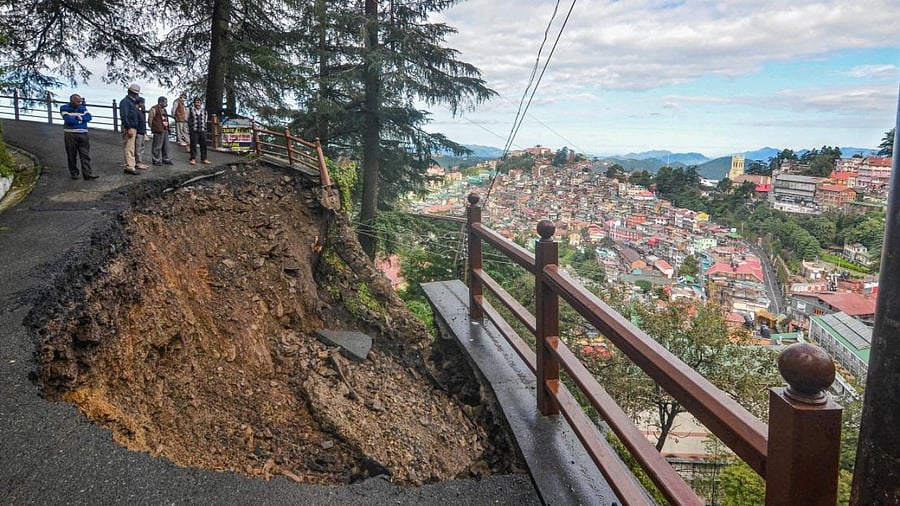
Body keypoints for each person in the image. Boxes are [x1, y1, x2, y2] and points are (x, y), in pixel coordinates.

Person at [59, 93, 97, 180]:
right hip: (70, 133)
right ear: (71, 101)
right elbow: (68, 120)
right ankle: (74, 173)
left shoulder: (82, 108)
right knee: (72, 154)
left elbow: (89, 117)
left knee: (85, 155)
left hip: (83, 133)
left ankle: (87, 173)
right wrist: (81, 120)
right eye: (77, 101)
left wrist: (78, 119)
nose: (79, 103)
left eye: (80, 101)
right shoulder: (64, 108)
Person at [119, 83, 142, 175]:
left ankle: (130, 165)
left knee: (131, 147)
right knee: (129, 147)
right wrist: (128, 127)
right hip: (130, 127)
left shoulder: (131, 102)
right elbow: (124, 116)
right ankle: (129, 166)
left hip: (133, 126)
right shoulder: (125, 102)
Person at [148, 96, 173, 166]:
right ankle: (156, 159)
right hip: (158, 129)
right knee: (157, 146)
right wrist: (153, 127)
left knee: (166, 146)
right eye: (165, 102)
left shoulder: (164, 110)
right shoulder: (154, 109)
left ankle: (166, 158)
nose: (166, 104)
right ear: (161, 102)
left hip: (165, 129)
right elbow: (150, 119)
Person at [187, 97, 211, 165]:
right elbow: (187, 119)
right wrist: (189, 128)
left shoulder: (204, 111)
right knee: (193, 144)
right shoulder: (190, 110)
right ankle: (193, 158)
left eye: (198, 102)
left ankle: (204, 158)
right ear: (194, 103)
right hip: (194, 130)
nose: (197, 104)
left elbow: (205, 120)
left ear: (200, 103)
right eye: (196, 102)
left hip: (202, 130)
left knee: (204, 145)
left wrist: (205, 127)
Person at [134, 96, 149, 170]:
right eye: (143, 103)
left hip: (142, 131)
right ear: (139, 103)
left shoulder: (140, 111)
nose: (144, 104)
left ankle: (139, 161)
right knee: (138, 148)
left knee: (141, 147)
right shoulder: (136, 111)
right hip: (139, 131)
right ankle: (137, 162)